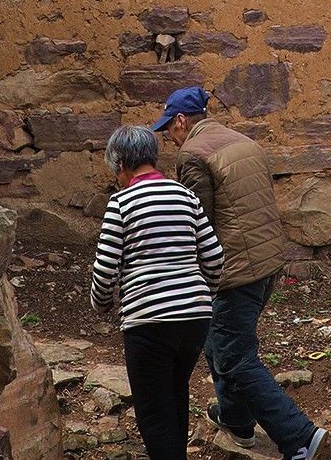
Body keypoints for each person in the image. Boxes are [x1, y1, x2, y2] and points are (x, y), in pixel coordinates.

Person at [154, 86, 329, 460]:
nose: (168, 137)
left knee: (235, 357)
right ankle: (236, 421)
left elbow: (197, 219)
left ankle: (299, 436)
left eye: (168, 127)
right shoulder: (242, 141)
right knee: (220, 342)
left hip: (236, 270)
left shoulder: (193, 154)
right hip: (267, 262)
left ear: (182, 121)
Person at [90, 124, 225, 460]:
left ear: (121, 165)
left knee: (153, 413)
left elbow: (106, 267)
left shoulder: (121, 202)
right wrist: (200, 294)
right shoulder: (185, 196)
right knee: (176, 396)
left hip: (149, 321)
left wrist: (101, 303)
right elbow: (214, 257)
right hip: (195, 320)